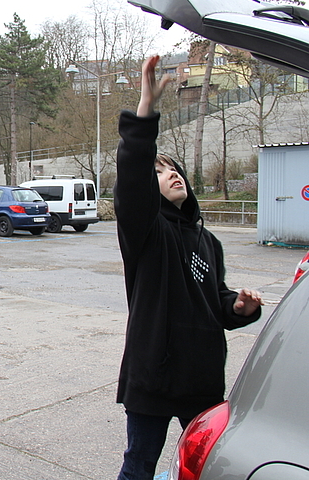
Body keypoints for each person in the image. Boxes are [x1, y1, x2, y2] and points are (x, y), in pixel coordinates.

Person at [113, 55, 264, 480]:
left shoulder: (208, 241)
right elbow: (132, 175)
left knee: (205, 465)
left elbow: (214, 299)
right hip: (153, 375)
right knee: (139, 464)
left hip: (200, 377)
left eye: (175, 169)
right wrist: (145, 108)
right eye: (161, 173)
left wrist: (239, 306)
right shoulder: (146, 232)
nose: (173, 175)